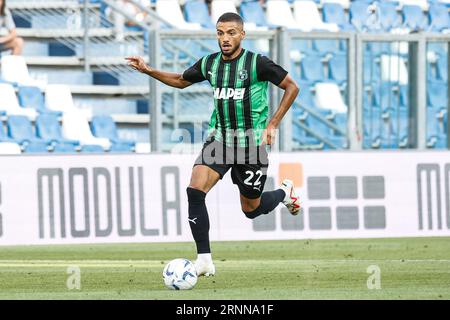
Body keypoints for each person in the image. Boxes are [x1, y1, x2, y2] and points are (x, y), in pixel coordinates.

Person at [126, 12, 303, 277]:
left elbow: (292, 86)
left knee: (251, 210)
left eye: (231, 32)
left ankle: (284, 194)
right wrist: (148, 70)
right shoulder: (210, 64)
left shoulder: (257, 63)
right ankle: (204, 259)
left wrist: (273, 123)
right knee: (194, 190)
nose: (225, 38)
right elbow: (181, 81)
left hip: (251, 146)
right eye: (220, 33)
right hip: (220, 139)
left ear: (242, 34)